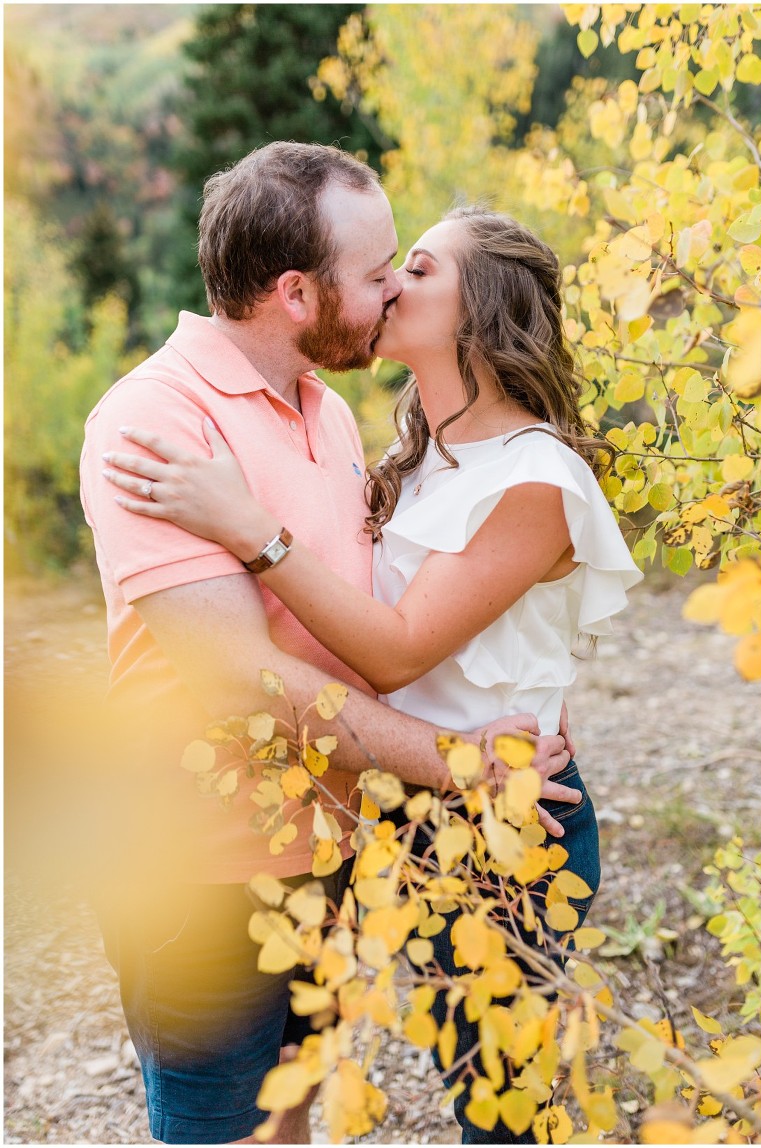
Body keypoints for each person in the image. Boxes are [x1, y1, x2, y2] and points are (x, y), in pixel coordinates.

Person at [101, 203, 644, 1143]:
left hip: (499, 810)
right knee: (352, 1078)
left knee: (501, 1112)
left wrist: (248, 529)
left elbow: (395, 649)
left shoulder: (535, 477)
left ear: (480, 313)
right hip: (388, 811)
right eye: (388, 266)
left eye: (418, 269)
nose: (392, 284)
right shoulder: (407, 452)